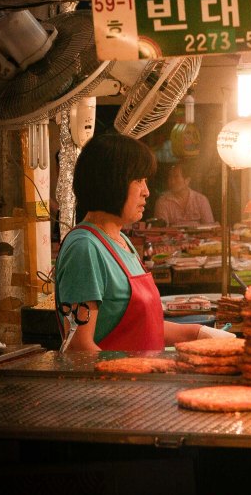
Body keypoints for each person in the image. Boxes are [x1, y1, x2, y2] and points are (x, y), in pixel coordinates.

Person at [55, 133, 231, 352]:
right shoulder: (84, 249)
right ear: (111, 181)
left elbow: (145, 326)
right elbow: (79, 347)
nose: (146, 192)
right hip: (113, 385)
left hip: (143, 382)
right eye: (138, 180)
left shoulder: (123, 242)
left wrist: (198, 333)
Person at [154, 160, 214, 226]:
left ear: (187, 180)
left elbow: (210, 227)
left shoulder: (201, 200)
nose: (172, 181)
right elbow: (161, 230)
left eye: (176, 177)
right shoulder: (162, 202)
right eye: (170, 177)